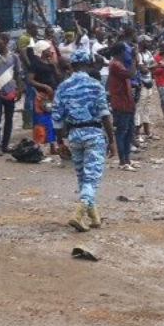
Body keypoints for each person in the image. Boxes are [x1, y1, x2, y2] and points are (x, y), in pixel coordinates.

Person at [54, 49, 116, 232]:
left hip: (74, 135)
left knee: (83, 177)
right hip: (94, 133)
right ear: (88, 65)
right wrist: (111, 140)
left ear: (71, 66)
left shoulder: (63, 87)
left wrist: (60, 142)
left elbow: (56, 118)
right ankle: (78, 214)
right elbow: (105, 115)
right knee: (92, 177)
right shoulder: (95, 85)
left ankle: (94, 217)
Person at [0, 32, 21, 155]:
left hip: (10, 92)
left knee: (9, 119)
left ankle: (5, 145)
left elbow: (17, 74)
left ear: (6, 42)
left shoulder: (14, 57)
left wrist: (19, 90)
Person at [106, 43, 137, 170]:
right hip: (121, 102)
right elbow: (131, 74)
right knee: (122, 131)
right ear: (121, 52)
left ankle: (127, 159)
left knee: (129, 130)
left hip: (126, 101)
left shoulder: (117, 64)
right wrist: (135, 59)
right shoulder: (116, 65)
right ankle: (123, 160)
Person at [27, 40, 60, 157]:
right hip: (41, 96)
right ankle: (39, 146)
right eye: (47, 49)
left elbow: (58, 76)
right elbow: (30, 80)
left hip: (51, 95)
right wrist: (44, 86)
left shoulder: (49, 62)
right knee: (41, 120)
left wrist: (54, 66)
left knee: (51, 120)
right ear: (41, 51)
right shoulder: (35, 64)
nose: (50, 51)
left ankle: (52, 145)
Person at [17, 21, 41, 130]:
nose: (37, 30)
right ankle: (27, 122)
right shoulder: (24, 38)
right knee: (29, 95)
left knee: (34, 94)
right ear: (30, 28)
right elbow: (23, 54)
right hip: (28, 71)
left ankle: (33, 118)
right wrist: (31, 67)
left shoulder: (30, 38)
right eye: (36, 28)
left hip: (32, 70)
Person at [134, 38, 156, 146]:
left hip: (148, 82)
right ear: (142, 42)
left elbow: (153, 66)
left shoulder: (147, 53)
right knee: (139, 108)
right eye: (147, 42)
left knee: (147, 107)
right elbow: (143, 70)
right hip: (142, 83)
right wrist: (149, 67)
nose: (150, 43)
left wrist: (148, 67)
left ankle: (147, 132)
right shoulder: (138, 54)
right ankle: (136, 134)